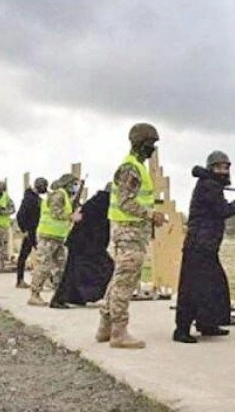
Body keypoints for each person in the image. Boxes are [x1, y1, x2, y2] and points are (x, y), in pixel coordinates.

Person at [95, 123, 165, 349]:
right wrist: (150, 215)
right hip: (129, 231)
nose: (153, 149)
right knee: (125, 283)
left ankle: (105, 327)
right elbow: (126, 201)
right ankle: (119, 332)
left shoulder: (135, 167)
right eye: (151, 144)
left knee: (118, 280)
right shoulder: (131, 168)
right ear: (142, 143)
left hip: (130, 231)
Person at [173, 151, 235, 343]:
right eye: (218, 167)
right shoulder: (209, 186)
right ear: (211, 168)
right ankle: (182, 330)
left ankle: (207, 323)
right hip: (200, 246)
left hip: (205, 246)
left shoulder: (211, 185)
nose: (223, 170)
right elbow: (223, 210)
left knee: (212, 287)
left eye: (226, 167)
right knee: (193, 289)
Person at [50, 185, 114, 308]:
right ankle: (65, 298)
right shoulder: (103, 203)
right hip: (87, 244)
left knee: (73, 272)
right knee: (106, 267)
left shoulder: (98, 200)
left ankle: (74, 297)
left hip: (83, 243)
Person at [27, 174, 81, 307]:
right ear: (68, 184)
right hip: (48, 236)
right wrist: (71, 216)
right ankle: (34, 295)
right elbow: (55, 212)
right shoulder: (58, 195)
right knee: (44, 266)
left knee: (61, 267)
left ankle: (59, 296)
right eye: (74, 184)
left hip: (58, 237)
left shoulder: (65, 197)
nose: (76, 187)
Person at [15, 177, 48, 289]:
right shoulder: (29, 199)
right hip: (30, 231)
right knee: (24, 255)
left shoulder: (36, 198)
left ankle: (42, 280)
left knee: (41, 255)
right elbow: (20, 215)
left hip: (36, 230)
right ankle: (20, 280)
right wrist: (24, 230)